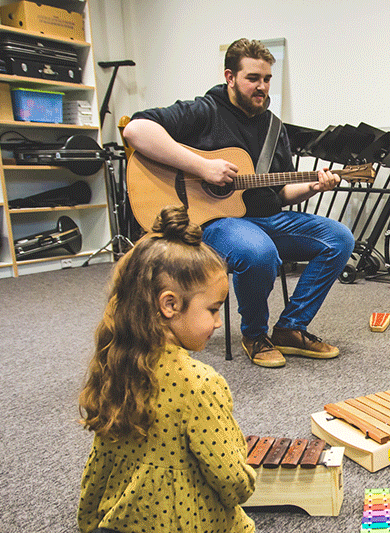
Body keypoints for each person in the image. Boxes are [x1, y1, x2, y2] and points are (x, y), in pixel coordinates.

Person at [74, 206, 256, 533]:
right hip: (182, 524)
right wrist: (246, 482)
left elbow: (101, 459)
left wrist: (94, 519)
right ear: (169, 304)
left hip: (122, 514)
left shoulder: (115, 362)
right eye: (213, 310)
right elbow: (227, 476)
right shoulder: (200, 382)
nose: (218, 322)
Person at [122, 38, 354, 369]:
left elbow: (280, 193)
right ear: (230, 76)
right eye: (253, 78)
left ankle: (291, 328)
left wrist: (314, 187)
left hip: (267, 219)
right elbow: (136, 130)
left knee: (339, 238)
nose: (262, 87)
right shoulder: (204, 112)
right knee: (256, 252)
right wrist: (201, 167)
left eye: (267, 79)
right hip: (215, 223)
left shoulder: (274, 128)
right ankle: (255, 335)